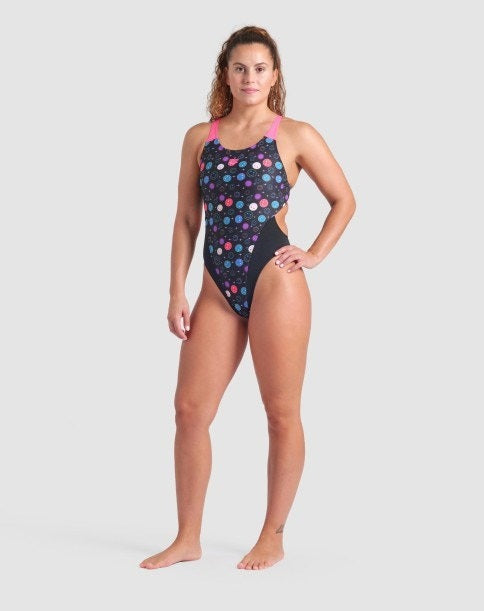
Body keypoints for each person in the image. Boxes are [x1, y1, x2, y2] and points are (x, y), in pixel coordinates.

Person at [139, 25, 356, 571]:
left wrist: (315, 253)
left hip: (274, 281)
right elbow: (187, 219)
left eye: (260, 68)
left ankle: (273, 536)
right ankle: (188, 538)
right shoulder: (200, 137)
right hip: (216, 286)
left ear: (274, 75)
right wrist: (176, 290)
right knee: (189, 410)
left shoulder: (296, 134)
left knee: (280, 412)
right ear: (226, 74)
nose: (250, 77)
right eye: (240, 68)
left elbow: (344, 199)